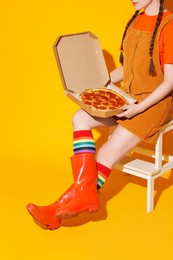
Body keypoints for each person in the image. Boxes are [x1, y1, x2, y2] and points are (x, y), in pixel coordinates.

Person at [26, 0, 173, 230]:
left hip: (154, 105)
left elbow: (170, 82)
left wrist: (137, 108)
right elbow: (128, 69)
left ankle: (56, 211)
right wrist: (101, 81)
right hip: (129, 97)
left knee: (105, 153)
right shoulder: (135, 20)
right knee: (79, 118)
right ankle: (80, 196)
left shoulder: (169, 26)